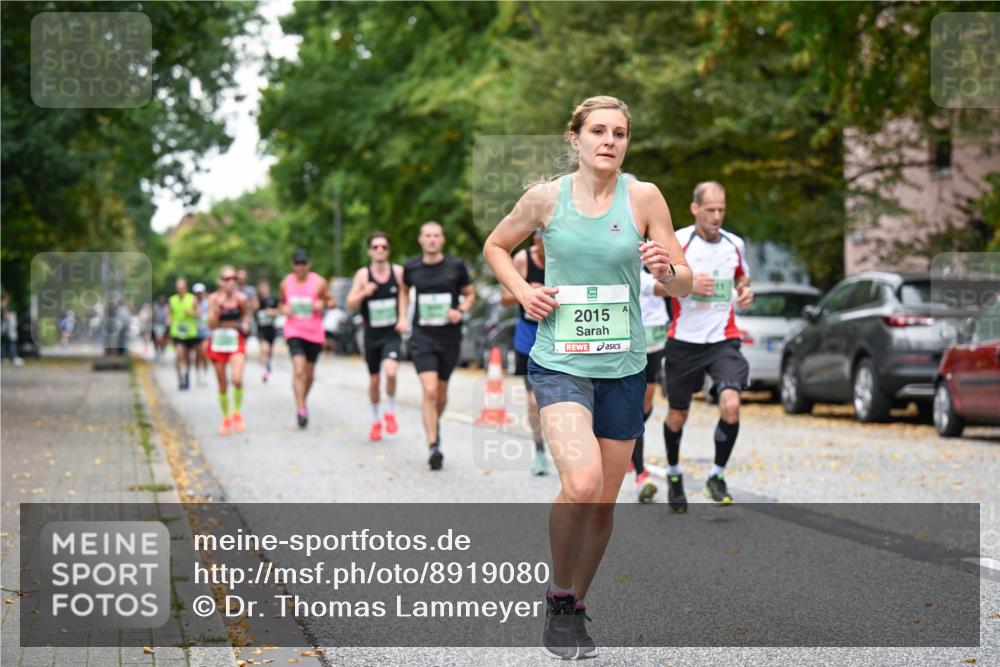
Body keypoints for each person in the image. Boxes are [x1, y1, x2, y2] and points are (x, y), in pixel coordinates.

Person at [482, 96, 692, 659]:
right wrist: (523, 291)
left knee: (602, 503)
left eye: (619, 133)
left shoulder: (644, 197)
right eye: (598, 131)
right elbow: (496, 245)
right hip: (560, 362)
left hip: (624, 366)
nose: (609, 141)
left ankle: (576, 604)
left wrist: (667, 270)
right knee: (580, 484)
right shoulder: (545, 198)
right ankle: (557, 596)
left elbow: (683, 280)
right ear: (574, 138)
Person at [662, 181, 753, 509]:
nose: (716, 216)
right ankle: (674, 475)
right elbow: (657, 285)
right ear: (695, 209)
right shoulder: (678, 241)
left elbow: (742, 276)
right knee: (677, 416)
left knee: (731, 405)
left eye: (721, 210)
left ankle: (717, 475)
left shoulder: (734, 244)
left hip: (722, 339)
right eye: (710, 210)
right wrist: (685, 285)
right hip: (684, 341)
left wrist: (745, 291)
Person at [399, 221, 475, 470]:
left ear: (442, 240)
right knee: (429, 391)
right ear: (421, 240)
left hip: (449, 337)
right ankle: (434, 445)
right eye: (428, 236)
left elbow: (471, 294)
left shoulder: (455, 266)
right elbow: (403, 291)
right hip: (422, 336)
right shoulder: (411, 267)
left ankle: (434, 423)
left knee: (441, 394)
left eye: (436, 236)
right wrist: (403, 317)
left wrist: (460, 310)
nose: (432, 240)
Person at [499, 228, 550, 476]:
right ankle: (539, 450)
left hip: (559, 333)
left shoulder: (566, 256)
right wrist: (527, 290)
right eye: (542, 240)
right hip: (529, 334)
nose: (547, 245)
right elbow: (504, 299)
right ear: (535, 240)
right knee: (533, 400)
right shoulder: (523, 259)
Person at [346, 231, 405, 442]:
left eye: (384, 247)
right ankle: (375, 420)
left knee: (391, 372)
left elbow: (405, 295)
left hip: (391, 333)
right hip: (371, 334)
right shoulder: (363, 275)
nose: (380, 250)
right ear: (369, 251)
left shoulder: (398, 272)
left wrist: (403, 318)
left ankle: (390, 411)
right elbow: (350, 303)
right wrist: (364, 292)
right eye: (375, 247)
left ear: (389, 250)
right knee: (374, 380)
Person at [630, 265, 672, 503]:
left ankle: (625, 439)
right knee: (634, 407)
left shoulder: (658, 247)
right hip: (628, 327)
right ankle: (641, 474)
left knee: (647, 399)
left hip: (654, 330)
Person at [280, 249, 333, 428]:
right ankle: (301, 408)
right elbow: (281, 304)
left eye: (304, 263)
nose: (301, 267)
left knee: (309, 375)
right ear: (293, 265)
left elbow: (331, 301)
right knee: (299, 370)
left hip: (314, 333)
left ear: (309, 264)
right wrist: (284, 309)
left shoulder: (319, 282)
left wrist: (323, 304)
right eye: (297, 263)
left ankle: (303, 399)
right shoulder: (286, 283)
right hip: (294, 331)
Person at [205, 267, 250, 435]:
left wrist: (244, 324)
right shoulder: (213, 298)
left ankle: (237, 413)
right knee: (222, 385)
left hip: (236, 340)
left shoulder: (241, 298)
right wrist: (216, 309)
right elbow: (211, 324)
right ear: (220, 281)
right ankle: (226, 418)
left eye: (233, 279)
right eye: (226, 279)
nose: (231, 282)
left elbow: (245, 316)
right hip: (218, 342)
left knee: (237, 379)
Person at [168, 278, 199, 389]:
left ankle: (186, 374)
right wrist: (169, 321)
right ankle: (180, 378)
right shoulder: (172, 299)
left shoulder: (193, 299)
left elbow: (198, 314)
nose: (180, 289)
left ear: (186, 287)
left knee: (187, 356)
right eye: (178, 287)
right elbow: (170, 313)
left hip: (190, 332)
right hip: (177, 331)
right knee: (179, 354)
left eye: (182, 287)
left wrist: (191, 312)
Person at [255, 280, 280, 383]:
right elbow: (253, 310)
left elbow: (280, 310)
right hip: (261, 329)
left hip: (271, 328)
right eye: (262, 288)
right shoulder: (257, 300)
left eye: (265, 288)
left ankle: (267, 365)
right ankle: (266, 369)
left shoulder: (274, 299)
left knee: (269, 352)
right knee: (264, 350)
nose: (264, 290)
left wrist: (272, 312)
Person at [192, 283, 211, 387]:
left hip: (206, 332)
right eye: (197, 293)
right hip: (194, 332)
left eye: (200, 293)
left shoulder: (207, 303)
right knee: (197, 355)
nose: (199, 295)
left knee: (204, 353)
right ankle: (198, 374)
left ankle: (205, 374)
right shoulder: (191, 303)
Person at [1, 292, 24, 366]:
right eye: (7, 298)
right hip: (5, 328)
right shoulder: (2, 306)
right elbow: (5, 316)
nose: (8, 300)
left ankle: (4, 357)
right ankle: (13, 357)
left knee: (6, 343)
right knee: (10, 343)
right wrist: (10, 315)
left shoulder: (5, 306)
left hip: (7, 328)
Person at [152, 296, 169, 361]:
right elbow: (153, 316)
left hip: (164, 326)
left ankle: (162, 350)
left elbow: (168, 316)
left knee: (163, 340)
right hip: (156, 325)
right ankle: (157, 351)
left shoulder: (167, 308)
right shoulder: (155, 307)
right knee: (155, 339)